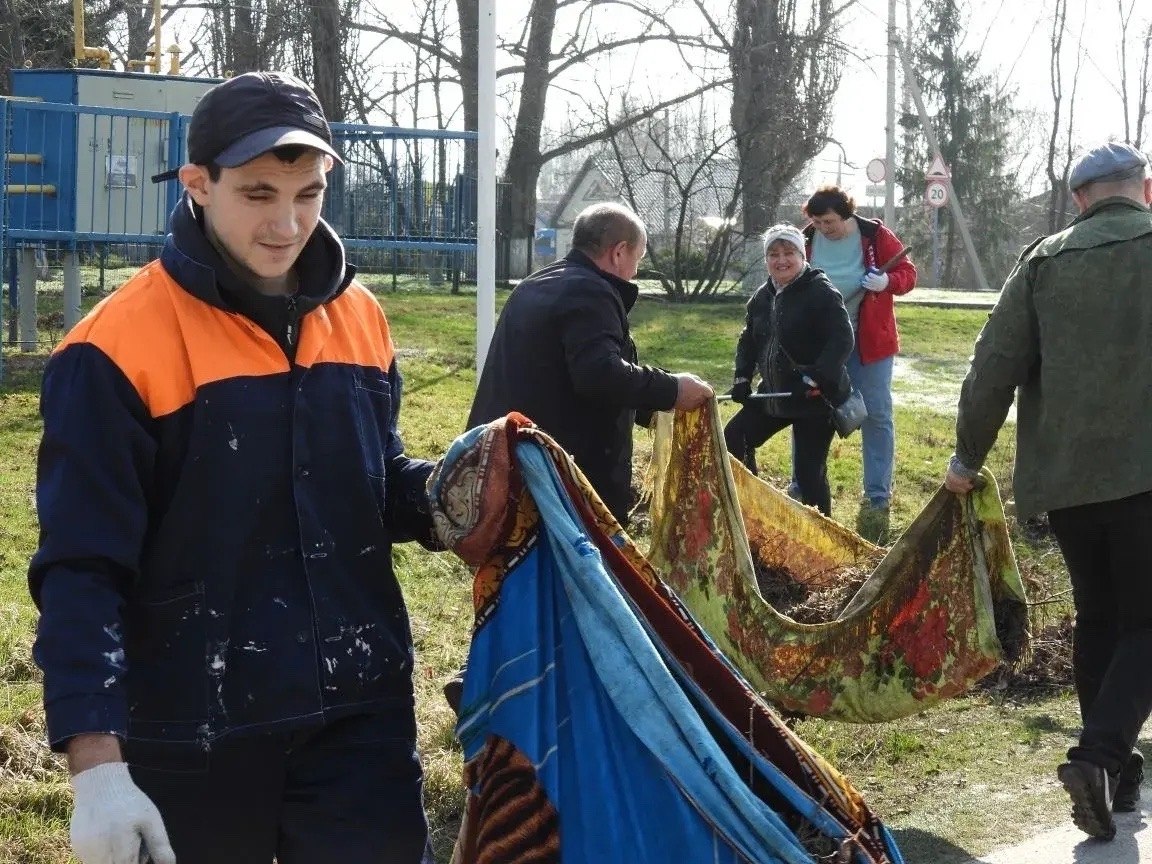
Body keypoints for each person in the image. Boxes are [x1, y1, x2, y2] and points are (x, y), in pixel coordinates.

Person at [29, 72, 439, 864]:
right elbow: (82, 566)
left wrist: (449, 495)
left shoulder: (360, 313)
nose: (287, 223)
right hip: (191, 726)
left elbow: (373, 481)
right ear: (196, 183)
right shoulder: (109, 349)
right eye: (257, 194)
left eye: (308, 193)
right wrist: (96, 769)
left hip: (358, 713)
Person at [944, 141, 1152, 842]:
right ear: (1144, 190)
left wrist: (967, 454)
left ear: (1079, 199)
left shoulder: (1042, 261)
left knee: (1100, 618)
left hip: (1066, 481)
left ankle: (1117, 780)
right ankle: (1096, 758)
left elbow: (994, 363)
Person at [467, 201, 714, 525]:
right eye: (637, 259)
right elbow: (598, 375)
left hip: (511, 463)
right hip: (559, 481)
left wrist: (649, 407)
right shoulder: (590, 291)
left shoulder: (537, 283)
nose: (635, 271)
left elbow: (563, 371)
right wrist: (673, 389)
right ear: (619, 252)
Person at [801, 186, 917, 541]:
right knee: (809, 412)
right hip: (822, 344)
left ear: (847, 214)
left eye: (830, 221)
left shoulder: (874, 234)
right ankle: (802, 484)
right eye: (818, 222)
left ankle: (878, 496)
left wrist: (885, 282)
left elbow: (908, 275)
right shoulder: (806, 239)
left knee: (877, 414)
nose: (824, 228)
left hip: (870, 342)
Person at [724, 224, 853, 517]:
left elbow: (842, 339)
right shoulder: (762, 295)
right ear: (766, 259)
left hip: (814, 399)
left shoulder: (821, 291)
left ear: (802, 254)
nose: (781, 260)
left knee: (809, 474)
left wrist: (817, 377)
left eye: (788, 253)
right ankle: (754, 512)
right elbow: (748, 339)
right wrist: (742, 377)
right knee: (734, 439)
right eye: (773, 254)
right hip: (774, 394)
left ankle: (823, 540)